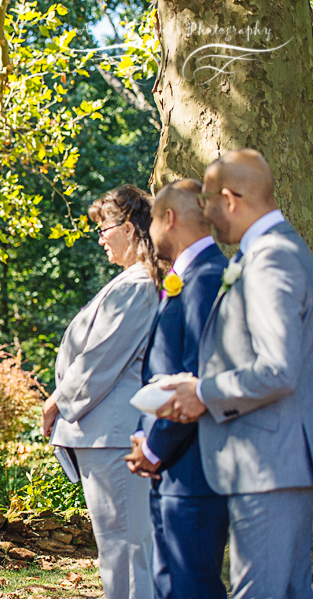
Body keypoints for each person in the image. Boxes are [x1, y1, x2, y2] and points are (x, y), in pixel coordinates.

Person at [157, 149, 313, 598]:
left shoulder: (270, 258)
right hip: (273, 460)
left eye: (206, 201)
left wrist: (202, 391)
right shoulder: (273, 249)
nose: (203, 214)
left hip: (268, 461)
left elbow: (276, 368)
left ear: (228, 198)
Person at [41, 185, 162, 599]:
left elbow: (101, 359)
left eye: (104, 228)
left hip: (113, 434)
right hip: (105, 433)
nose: (100, 237)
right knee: (118, 546)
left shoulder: (138, 285)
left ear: (129, 228)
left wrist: (57, 401)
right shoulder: (132, 282)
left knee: (125, 546)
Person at [123, 179, 229, 599]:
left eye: (151, 220)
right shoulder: (189, 277)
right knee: (172, 585)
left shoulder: (207, 278)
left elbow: (195, 376)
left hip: (195, 467)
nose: (148, 231)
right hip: (173, 464)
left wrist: (153, 448)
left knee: (192, 586)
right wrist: (143, 436)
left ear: (169, 218)